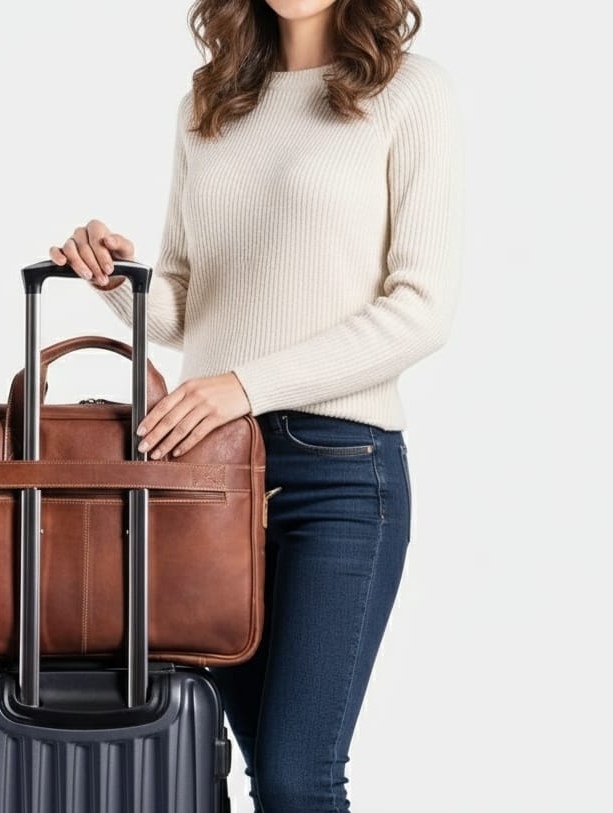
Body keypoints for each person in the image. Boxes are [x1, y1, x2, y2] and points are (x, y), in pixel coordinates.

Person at [49, 0, 463, 809]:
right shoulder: (209, 101)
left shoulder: (411, 94)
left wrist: (245, 386)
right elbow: (180, 304)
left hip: (340, 473)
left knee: (297, 777)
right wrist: (114, 279)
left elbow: (421, 308)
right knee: (259, 773)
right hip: (208, 479)